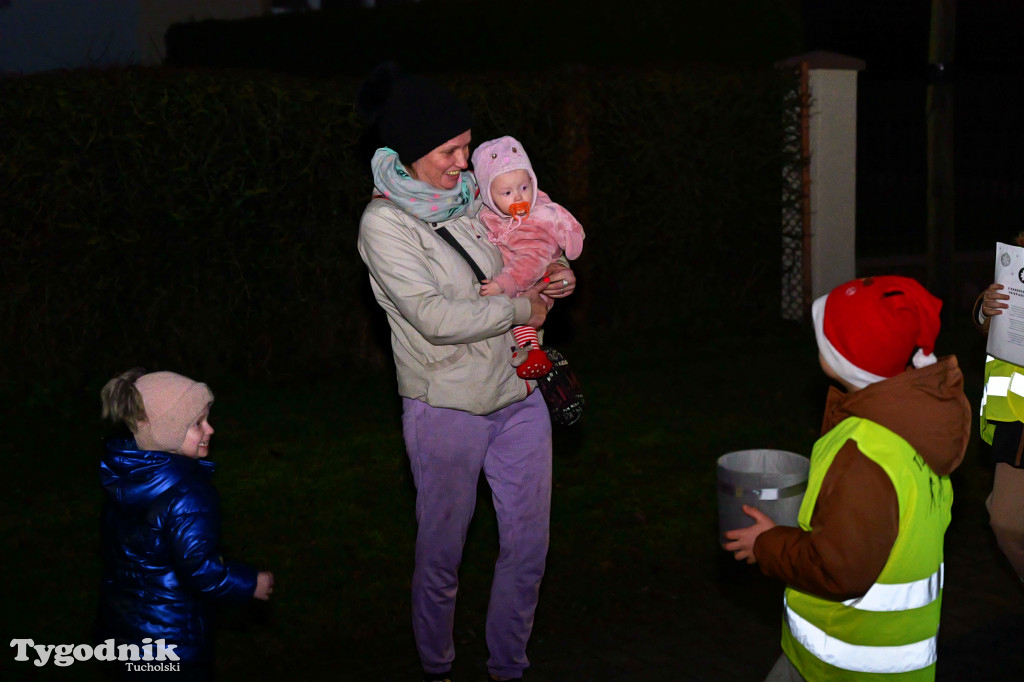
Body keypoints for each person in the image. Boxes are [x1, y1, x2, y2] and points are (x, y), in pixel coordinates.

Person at [354, 62, 576, 682]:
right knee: (443, 554)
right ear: (411, 149)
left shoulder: (474, 199)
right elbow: (435, 317)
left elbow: (524, 249)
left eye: (467, 147)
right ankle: (438, 665)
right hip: (446, 407)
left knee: (528, 547)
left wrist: (555, 274)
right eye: (449, 151)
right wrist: (521, 308)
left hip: (520, 392)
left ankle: (509, 665)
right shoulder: (385, 224)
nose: (464, 162)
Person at [723, 276, 970, 681]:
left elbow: (839, 567)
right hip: (863, 660)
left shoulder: (865, 455)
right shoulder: (914, 422)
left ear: (842, 360)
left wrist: (766, 544)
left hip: (844, 665)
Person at [96, 368, 274, 680]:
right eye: (197, 423)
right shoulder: (188, 494)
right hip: (174, 638)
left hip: (124, 631)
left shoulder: (126, 479)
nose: (211, 429)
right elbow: (199, 568)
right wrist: (250, 583)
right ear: (167, 432)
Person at [471, 135, 585, 379]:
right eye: (507, 192)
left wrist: (505, 283)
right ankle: (529, 352)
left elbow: (533, 260)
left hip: (525, 284)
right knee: (520, 323)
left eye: (524, 187)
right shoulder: (485, 212)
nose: (519, 198)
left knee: (524, 320)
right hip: (494, 327)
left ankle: (531, 354)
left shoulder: (535, 219)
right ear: (488, 196)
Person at [973, 238, 1024, 582]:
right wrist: (986, 309)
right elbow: (990, 319)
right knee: (1004, 520)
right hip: (1014, 417)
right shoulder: (1018, 254)